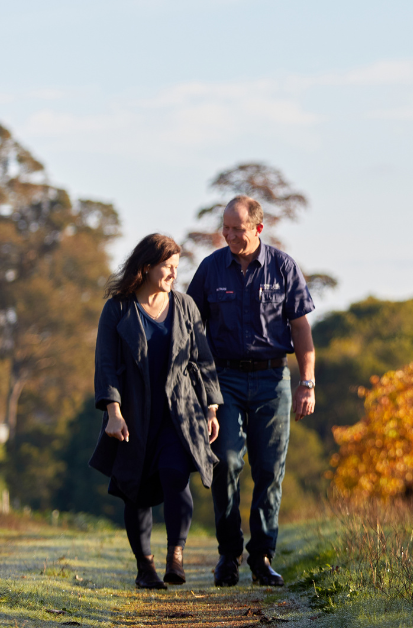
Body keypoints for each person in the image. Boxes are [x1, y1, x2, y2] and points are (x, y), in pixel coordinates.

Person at [187, 195, 316, 587]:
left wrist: (306, 382)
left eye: (236, 229)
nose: (228, 235)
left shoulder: (283, 267)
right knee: (225, 462)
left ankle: (261, 558)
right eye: (225, 228)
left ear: (258, 228)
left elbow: (301, 331)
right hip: (223, 380)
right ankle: (228, 555)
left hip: (272, 379)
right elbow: (192, 328)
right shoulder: (210, 269)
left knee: (269, 470)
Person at [90, 234, 223, 589]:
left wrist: (211, 408)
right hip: (133, 414)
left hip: (179, 414)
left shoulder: (185, 306)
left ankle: (175, 555)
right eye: (168, 267)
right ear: (147, 266)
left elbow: (203, 360)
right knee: (135, 488)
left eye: (177, 268)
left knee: (175, 476)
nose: (173, 275)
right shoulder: (117, 308)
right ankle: (145, 566)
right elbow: (105, 364)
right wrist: (114, 412)